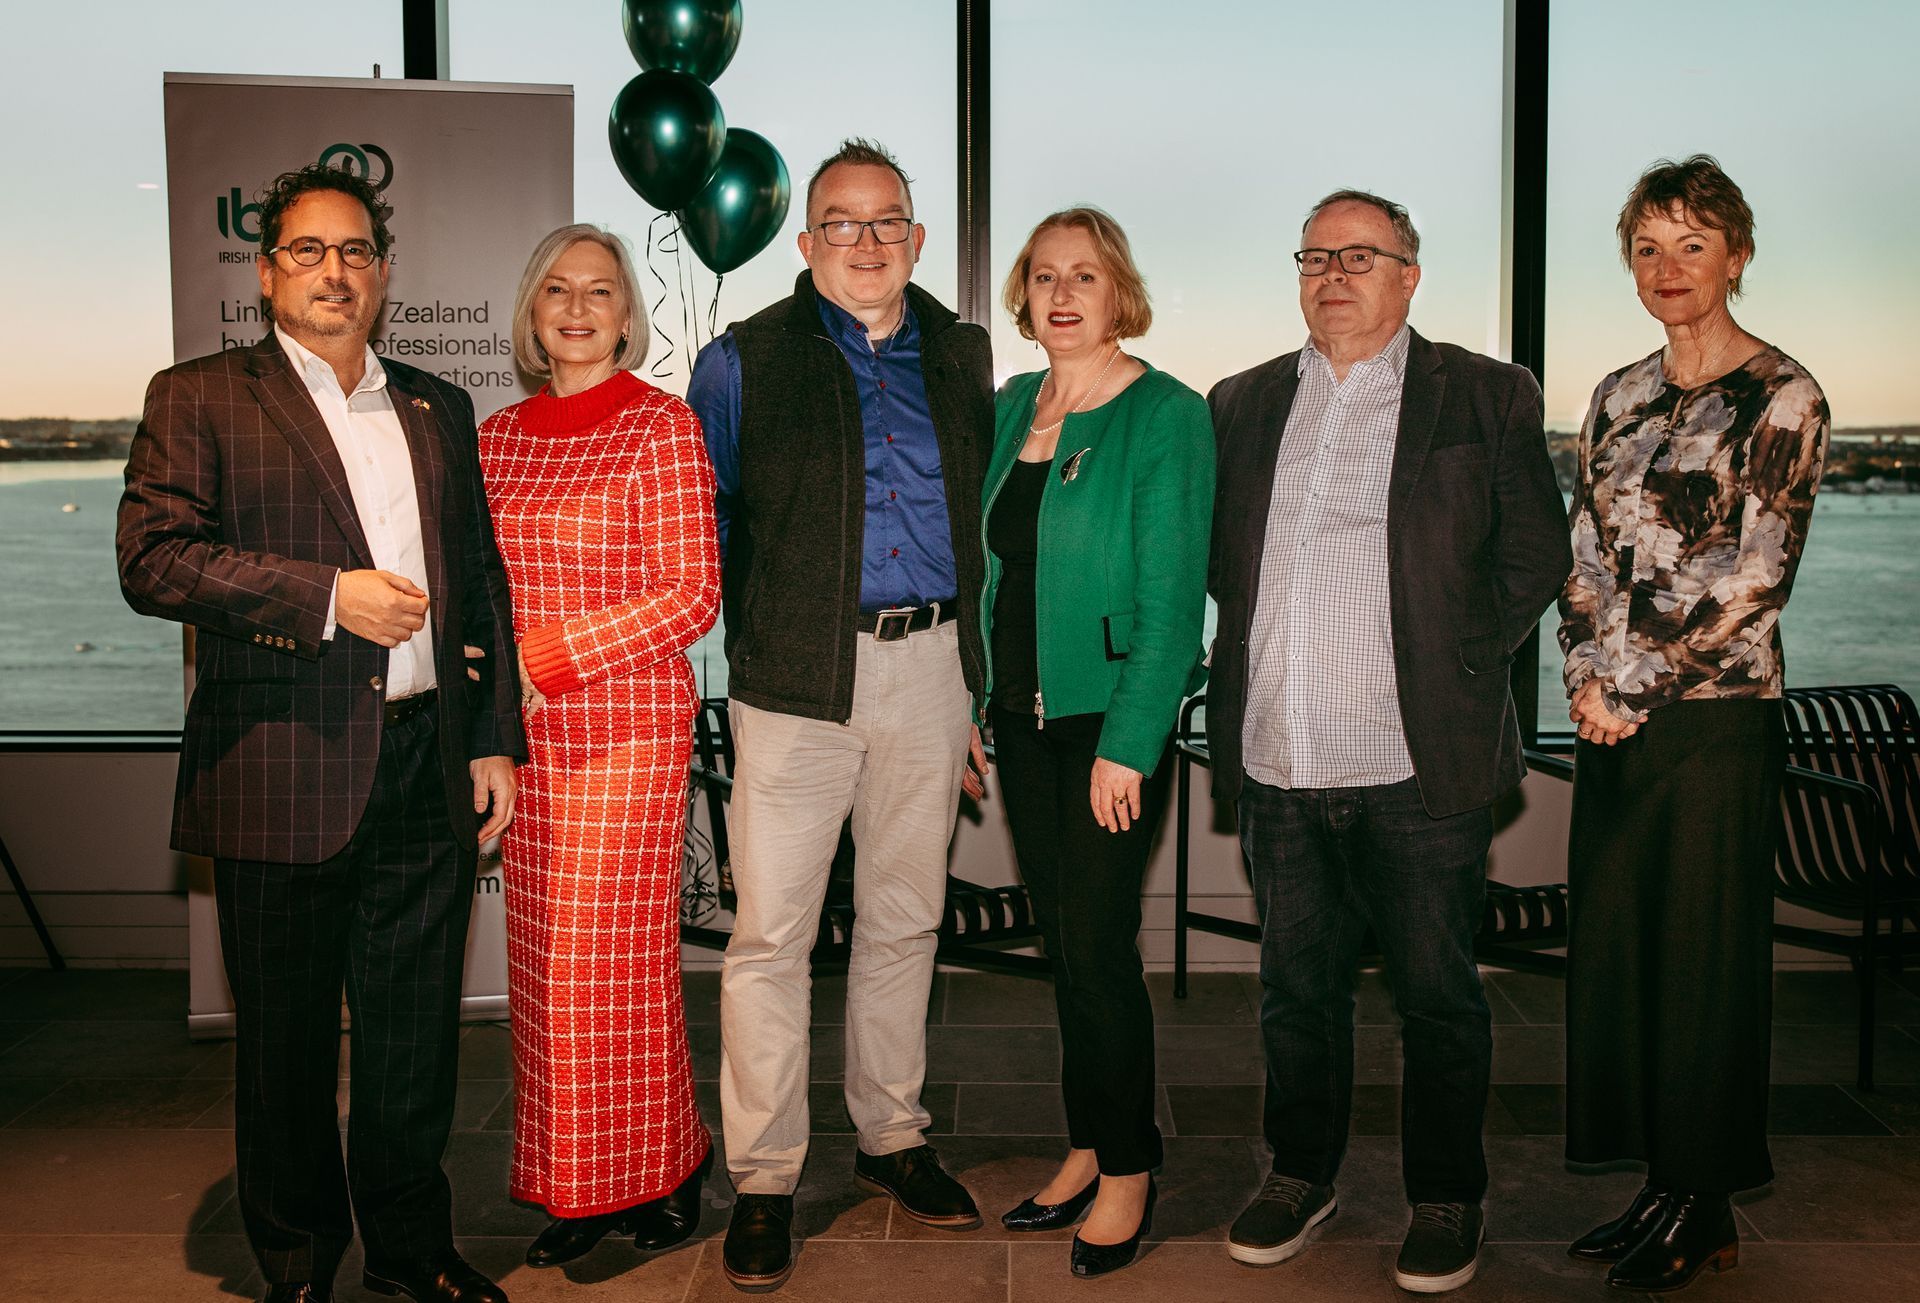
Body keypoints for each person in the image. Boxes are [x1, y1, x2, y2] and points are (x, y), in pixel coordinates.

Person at [117, 164, 525, 1303]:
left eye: (355, 252)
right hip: (277, 766)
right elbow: (151, 559)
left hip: (424, 758)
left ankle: (411, 1248)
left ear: (384, 273)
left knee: (412, 1040)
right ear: (266, 271)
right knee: (286, 1045)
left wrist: (490, 736)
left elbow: (478, 586)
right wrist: (326, 597)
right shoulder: (200, 394)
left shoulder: (438, 405)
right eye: (309, 250)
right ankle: (297, 1261)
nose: (334, 271)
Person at [1207, 190, 1570, 1294]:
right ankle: (1300, 1173)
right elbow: (1211, 560)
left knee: (1439, 998)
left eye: (1361, 255)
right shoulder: (1240, 402)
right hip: (1281, 752)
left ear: (1410, 274)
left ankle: (1447, 1195)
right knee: (1295, 995)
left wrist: (1463, 665)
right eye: (1316, 255)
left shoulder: (1488, 395)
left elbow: (1535, 555)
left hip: (1422, 763)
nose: (1334, 274)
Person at [686, 138, 993, 1292]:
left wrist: (980, 686)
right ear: (806, 239)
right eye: (840, 222)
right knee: (771, 937)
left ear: (916, 238)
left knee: (906, 918)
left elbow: (984, 528)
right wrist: (758, 637)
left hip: (933, 673)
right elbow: (702, 523)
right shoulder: (742, 360)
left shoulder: (964, 354)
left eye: (886, 221)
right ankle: (763, 1178)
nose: (865, 242)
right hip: (796, 685)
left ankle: (892, 1135)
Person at [1559, 155, 1829, 1294]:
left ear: (1737, 256)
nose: (1669, 270)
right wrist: (1582, 672)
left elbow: (1758, 577)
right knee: (1623, 960)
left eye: (1692, 247)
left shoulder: (1786, 396)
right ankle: (1661, 1182)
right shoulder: (1616, 395)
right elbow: (1585, 554)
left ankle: (1705, 1200)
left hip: (1713, 725)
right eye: (1648, 248)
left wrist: (1633, 687)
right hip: (1607, 717)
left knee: (1704, 967)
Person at [476, 225, 721, 1269]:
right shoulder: (493, 437)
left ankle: (661, 1176)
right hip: (519, 741)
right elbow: (474, 586)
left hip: (623, 730)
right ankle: (590, 1183)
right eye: (558, 291)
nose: (578, 308)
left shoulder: (662, 428)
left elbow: (693, 592)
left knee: (604, 963)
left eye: (601, 292)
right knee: (543, 971)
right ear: (533, 312)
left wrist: (546, 657)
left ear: (629, 315)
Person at [981, 207, 1212, 1278]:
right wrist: (973, 705)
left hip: (1106, 723)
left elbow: (1175, 603)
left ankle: (1129, 1167)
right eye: (1043, 276)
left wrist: (1134, 738)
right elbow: (990, 578)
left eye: (1086, 275)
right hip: (1020, 722)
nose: (1062, 293)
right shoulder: (1007, 410)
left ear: (1120, 291)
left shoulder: (1167, 414)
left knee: (1100, 951)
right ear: (1024, 297)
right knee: (1065, 949)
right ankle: (1085, 1139)